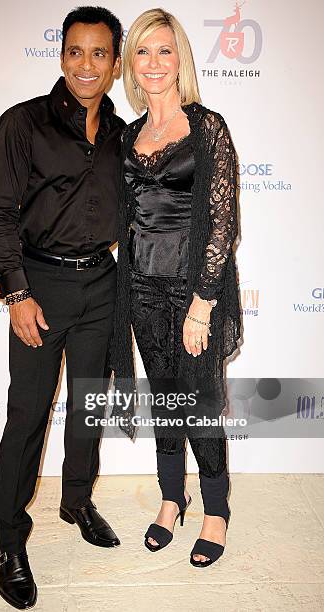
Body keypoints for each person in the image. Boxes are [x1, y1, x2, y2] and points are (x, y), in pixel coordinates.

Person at [0, 6, 125, 609]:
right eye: (75, 52)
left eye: (98, 54)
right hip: (40, 285)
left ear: (115, 64)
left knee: (88, 406)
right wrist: (16, 293)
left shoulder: (122, 133)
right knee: (27, 415)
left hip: (103, 286)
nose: (85, 65)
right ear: (61, 55)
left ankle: (76, 500)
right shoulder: (22, 124)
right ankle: (10, 540)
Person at [110, 8, 241, 567]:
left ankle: (215, 511)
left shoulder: (208, 126)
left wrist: (202, 304)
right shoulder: (127, 136)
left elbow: (223, 223)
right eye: (143, 51)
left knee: (201, 405)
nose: (154, 62)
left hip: (192, 296)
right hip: (139, 290)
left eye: (165, 50)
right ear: (131, 65)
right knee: (166, 403)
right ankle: (171, 498)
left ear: (179, 59)